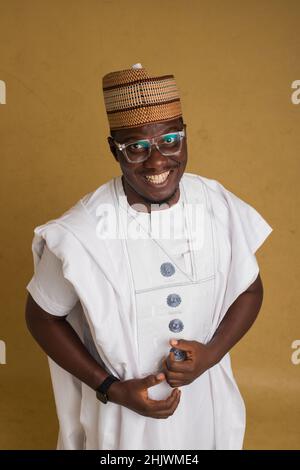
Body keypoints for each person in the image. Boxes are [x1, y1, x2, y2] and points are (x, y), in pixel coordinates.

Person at [25, 63, 273, 450]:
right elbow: (41, 316)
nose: (157, 162)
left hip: (204, 411)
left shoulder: (218, 206)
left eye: (170, 140)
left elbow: (250, 291)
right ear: (113, 149)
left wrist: (210, 355)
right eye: (137, 147)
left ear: (185, 135)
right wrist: (110, 388)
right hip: (121, 423)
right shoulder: (81, 232)